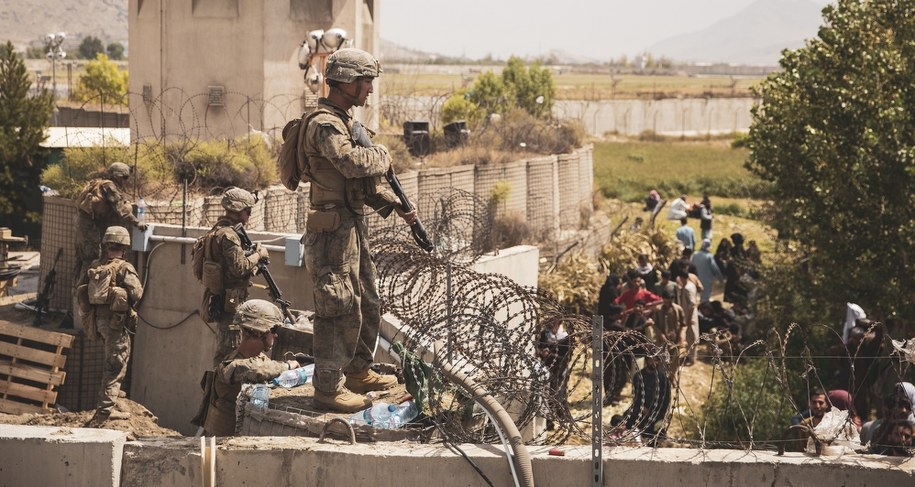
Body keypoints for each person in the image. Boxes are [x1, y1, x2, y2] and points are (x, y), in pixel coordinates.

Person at [300, 48, 416, 413]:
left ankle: (357, 371)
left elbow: (357, 185)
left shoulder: (345, 121)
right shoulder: (325, 124)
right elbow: (351, 164)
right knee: (337, 306)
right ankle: (328, 388)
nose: (370, 89)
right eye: (366, 81)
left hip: (350, 226)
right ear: (347, 81)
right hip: (331, 231)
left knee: (367, 300)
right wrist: (383, 155)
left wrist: (391, 203)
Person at [200, 300, 302, 436]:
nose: (276, 335)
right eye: (274, 330)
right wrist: (287, 366)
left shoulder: (260, 359)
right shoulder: (232, 366)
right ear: (259, 332)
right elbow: (253, 369)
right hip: (222, 444)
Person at [196, 187, 269, 367]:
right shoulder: (229, 235)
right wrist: (259, 255)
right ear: (238, 211)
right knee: (230, 356)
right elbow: (240, 268)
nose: (249, 215)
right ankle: (220, 386)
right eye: (248, 211)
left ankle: (217, 385)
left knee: (223, 355)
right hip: (230, 306)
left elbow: (230, 268)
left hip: (224, 300)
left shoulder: (217, 230)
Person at [80, 226, 144, 427]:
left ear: (106, 245)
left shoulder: (95, 265)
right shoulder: (124, 267)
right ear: (124, 247)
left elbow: (81, 290)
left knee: (112, 361)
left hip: (98, 323)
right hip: (116, 325)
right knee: (115, 367)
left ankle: (112, 400)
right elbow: (137, 293)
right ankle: (104, 413)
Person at [74, 162, 149, 283]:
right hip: (89, 228)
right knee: (91, 259)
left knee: (82, 260)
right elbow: (121, 209)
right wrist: (137, 222)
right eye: (124, 177)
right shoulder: (110, 187)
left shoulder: (100, 183)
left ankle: (78, 289)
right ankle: (85, 290)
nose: (126, 181)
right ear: (117, 176)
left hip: (83, 225)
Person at [625, 351, 671, 446]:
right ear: (647, 361)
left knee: (656, 432)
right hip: (641, 410)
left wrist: (662, 414)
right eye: (651, 360)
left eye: (656, 360)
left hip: (656, 412)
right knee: (626, 422)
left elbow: (666, 399)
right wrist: (643, 408)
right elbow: (636, 396)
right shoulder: (639, 376)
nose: (654, 363)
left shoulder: (663, 378)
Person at [537, 319, 572, 429]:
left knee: (558, 393)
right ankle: (549, 421)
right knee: (546, 395)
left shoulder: (565, 337)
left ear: (559, 323)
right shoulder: (544, 334)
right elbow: (538, 348)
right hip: (546, 369)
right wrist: (542, 352)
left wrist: (550, 355)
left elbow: (567, 356)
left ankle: (562, 417)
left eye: (554, 322)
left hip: (560, 369)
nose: (552, 324)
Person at [691, 239, 723, 303]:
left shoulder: (695, 254)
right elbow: (715, 268)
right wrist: (720, 278)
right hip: (707, 280)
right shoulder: (709, 256)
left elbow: (691, 265)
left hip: (696, 279)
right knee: (705, 298)